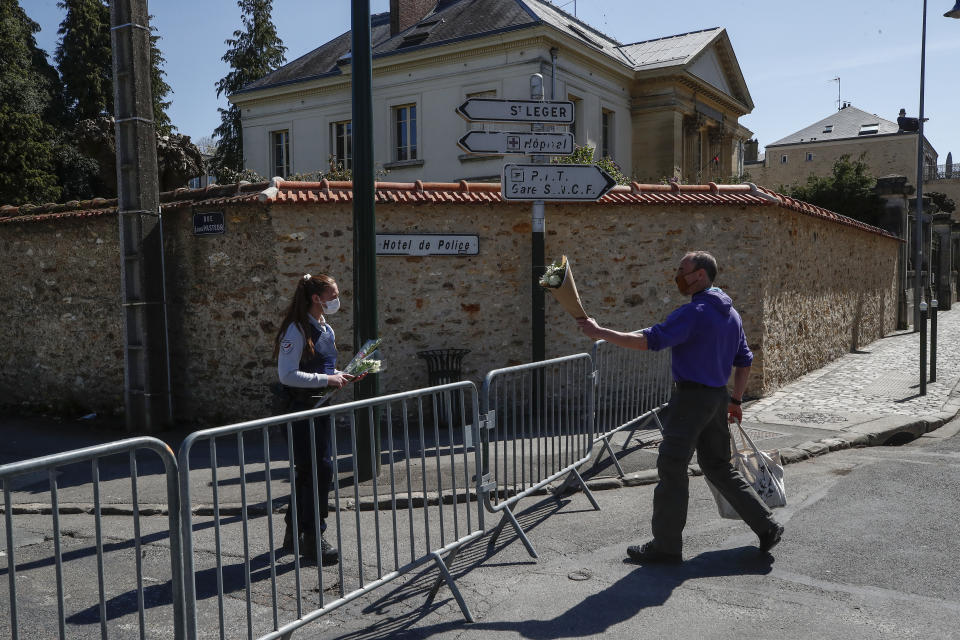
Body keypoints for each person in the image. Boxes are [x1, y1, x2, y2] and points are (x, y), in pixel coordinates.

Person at [577, 251, 784, 563]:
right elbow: (745, 360)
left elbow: (649, 340)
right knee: (717, 466)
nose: (677, 275)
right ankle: (766, 526)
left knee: (672, 467)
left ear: (699, 275)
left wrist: (599, 332)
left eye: (682, 270)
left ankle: (666, 546)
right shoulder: (732, 314)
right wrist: (736, 400)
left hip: (691, 399)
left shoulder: (695, 312)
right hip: (716, 397)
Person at [273, 273, 354, 565]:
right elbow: (287, 374)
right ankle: (313, 536)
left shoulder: (323, 326)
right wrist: (327, 379)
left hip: (319, 408)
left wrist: (343, 375)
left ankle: (294, 530)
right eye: (332, 295)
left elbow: (324, 368)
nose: (336, 299)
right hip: (300, 411)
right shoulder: (295, 330)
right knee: (319, 472)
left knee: (311, 472)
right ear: (316, 298)